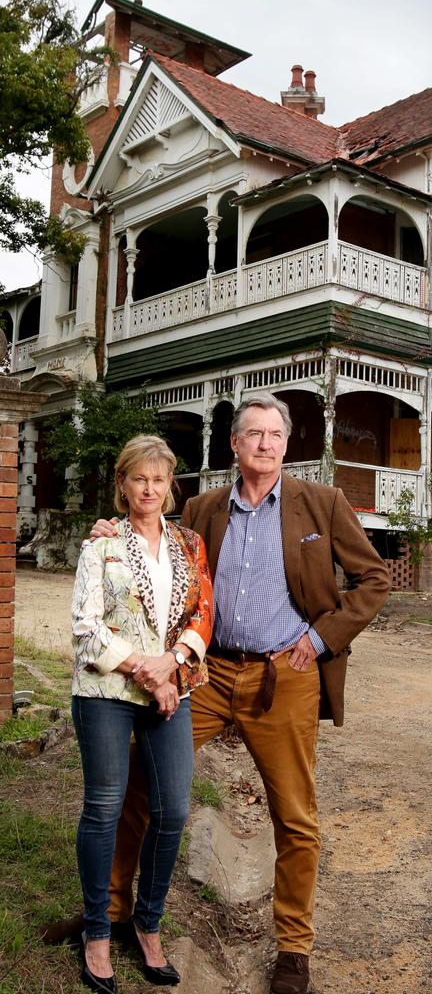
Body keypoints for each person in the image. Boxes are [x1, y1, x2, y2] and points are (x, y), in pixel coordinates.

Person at [56, 394, 391, 994]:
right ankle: (108, 912)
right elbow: (150, 538)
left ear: (288, 445)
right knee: (138, 788)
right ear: (233, 445)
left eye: (275, 434)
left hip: (282, 674)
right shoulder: (207, 508)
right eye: (253, 434)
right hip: (205, 675)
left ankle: (293, 948)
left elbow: (374, 578)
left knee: (294, 815)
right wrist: (108, 527)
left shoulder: (323, 504)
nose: (265, 443)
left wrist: (319, 640)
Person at [70, 434, 212, 993]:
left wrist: (171, 665)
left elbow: (202, 612)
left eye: (158, 479)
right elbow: (86, 627)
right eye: (138, 479)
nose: (149, 489)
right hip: (106, 691)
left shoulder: (189, 543)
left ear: (169, 485)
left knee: (173, 810)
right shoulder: (99, 545)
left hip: (172, 688)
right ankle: (98, 931)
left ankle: (147, 925)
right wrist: (145, 670)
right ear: (123, 484)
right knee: (104, 808)